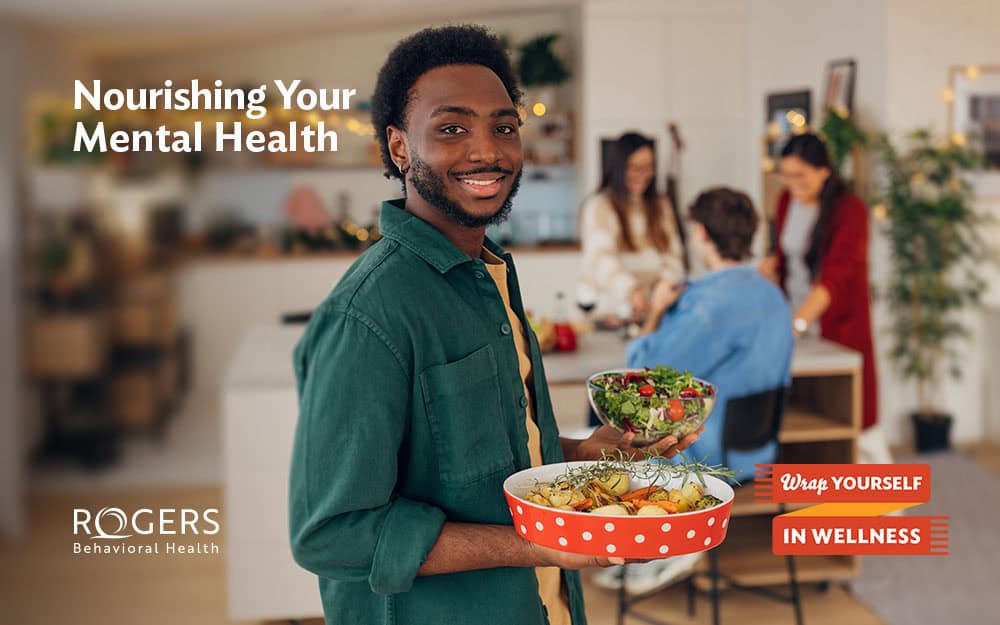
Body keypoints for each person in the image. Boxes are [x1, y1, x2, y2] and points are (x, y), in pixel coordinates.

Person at [288, 25, 700, 625]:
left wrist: (589, 454)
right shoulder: (368, 314)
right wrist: (535, 546)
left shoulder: (492, 275)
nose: (487, 151)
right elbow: (331, 534)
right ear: (400, 149)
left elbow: (491, 448)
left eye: (503, 127)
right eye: (452, 128)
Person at [595, 187, 794, 594]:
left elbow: (643, 376)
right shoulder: (774, 295)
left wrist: (657, 312)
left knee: (606, 437)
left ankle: (664, 547)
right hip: (760, 453)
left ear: (701, 233)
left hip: (711, 460)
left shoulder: (705, 306)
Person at [762, 133, 889, 463]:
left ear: (824, 171)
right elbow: (787, 259)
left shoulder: (851, 211)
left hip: (838, 330)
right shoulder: (788, 201)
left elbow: (834, 278)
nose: (792, 184)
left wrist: (797, 324)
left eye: (800, 175)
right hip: (799, 325)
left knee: (858, 425)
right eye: (786, 175)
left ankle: (890, 510)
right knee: (811, 423)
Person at [579, 132, 685, 321]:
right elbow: (601, 259)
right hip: (609, 309)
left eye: (649, 167)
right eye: (636, 167)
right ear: (619, 168)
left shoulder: (661, 205)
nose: (644, 175)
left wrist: (661, 289)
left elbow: (673, 256)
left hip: (653, 309)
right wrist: (631, 290)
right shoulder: (599, 206)